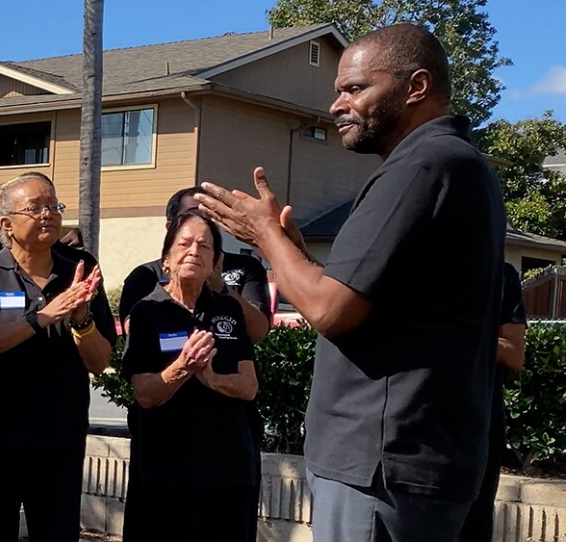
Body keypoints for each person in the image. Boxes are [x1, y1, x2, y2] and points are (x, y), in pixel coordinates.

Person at [196, 23, 506, 542]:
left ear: (416, 87)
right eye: (339, 89)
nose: (338, 104)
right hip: (418, 460)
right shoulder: (458, 165)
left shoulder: (422, 167)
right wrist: (290, 249)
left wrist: (265, 235)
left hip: (383, 465)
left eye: (355, 89)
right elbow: (364, 301)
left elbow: (330, 310)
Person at [0, 171, 116, 542]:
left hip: (58, 436)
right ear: (6, 223)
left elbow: (99, 360)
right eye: (36, 207)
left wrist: (81, 318)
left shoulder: (79, 267)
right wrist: (41, 318)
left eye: (54, 206)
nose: (48, 214)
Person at [120, 187, 270, 542]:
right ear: (166, 258)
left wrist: (211, 377)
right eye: (185, 244)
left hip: (230, 466)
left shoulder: (228, 309)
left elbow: (249, 386)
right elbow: (145, 393)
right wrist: (183, 367)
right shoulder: (147, 312)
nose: (194, 252)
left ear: (216, 260)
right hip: (169, 469)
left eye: (204, 246)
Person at [119, 186, 271, 342]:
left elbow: (258, 331)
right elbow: (135, 338)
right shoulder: (144, 276)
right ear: (171, 227)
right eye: (194, 214)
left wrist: (222, 289)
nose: (202, 223)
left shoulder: (245, 266)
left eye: (211, 215)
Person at [459, 262, 527, 542]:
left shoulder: (501, 275)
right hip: (410, 430)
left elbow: (514, 354)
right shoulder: (411, 263)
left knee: (472, 529)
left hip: (480, 428)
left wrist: (458, 333)